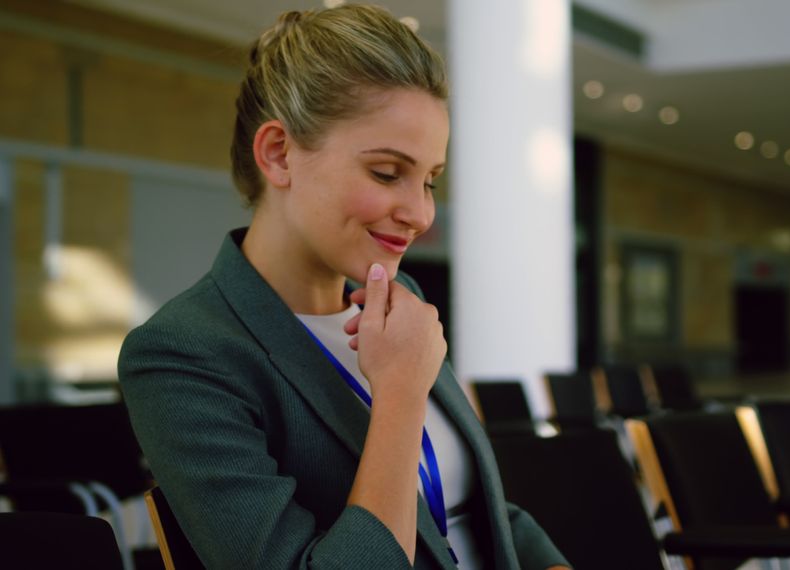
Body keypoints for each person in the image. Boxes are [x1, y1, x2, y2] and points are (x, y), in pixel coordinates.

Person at [118, 6, 570, 569]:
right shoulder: (184, 354)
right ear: (279, 154)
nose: (421, 213)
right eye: (387, 173)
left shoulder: (398, 300)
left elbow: (480, 508)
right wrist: (400, 394)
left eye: (430, 180)